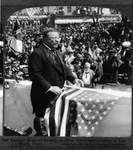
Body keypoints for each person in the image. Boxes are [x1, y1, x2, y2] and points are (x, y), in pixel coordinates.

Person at [28, 28, 80, 136]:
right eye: (53, 38)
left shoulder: (59, 53)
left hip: (58, 93)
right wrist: (50, 88)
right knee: (42, 122)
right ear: (45, 39)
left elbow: (64, 68)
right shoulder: (37, 54)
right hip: (43, 95)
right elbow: (35, 75)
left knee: (54, 120)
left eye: (58, 38)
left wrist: (73, 78)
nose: (57, 40)